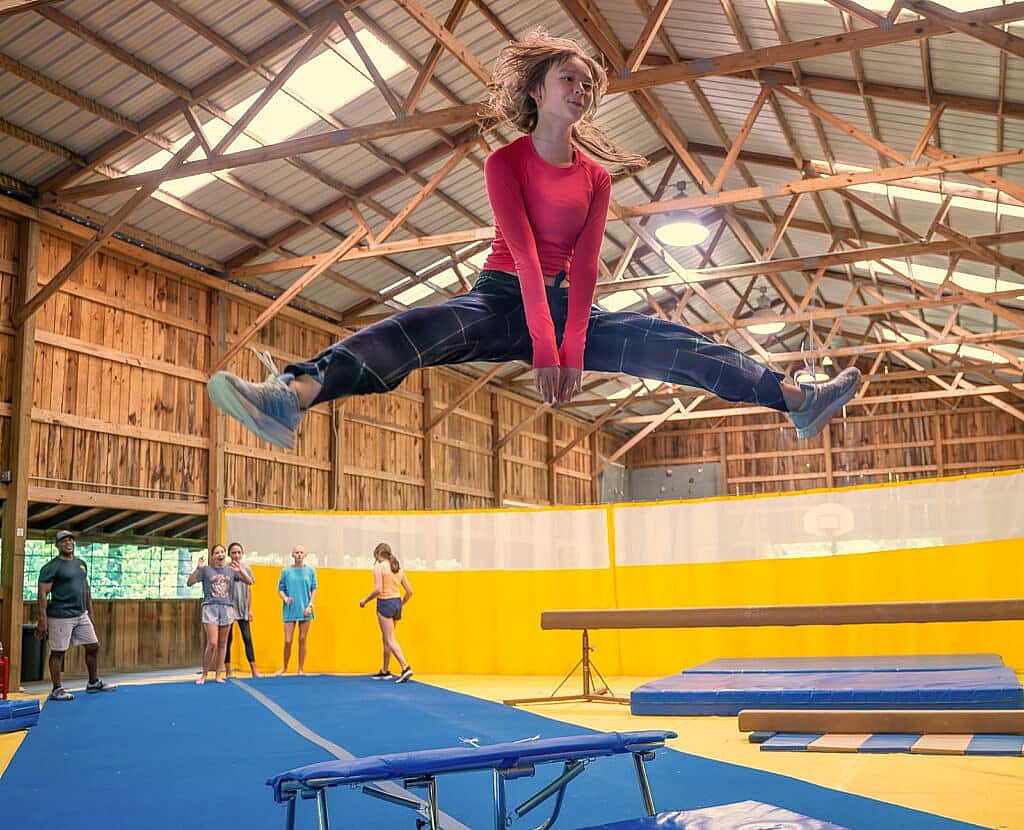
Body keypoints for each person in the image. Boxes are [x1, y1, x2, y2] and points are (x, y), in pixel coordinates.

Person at [207, 29, 860, 452]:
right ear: (538, 90)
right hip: (499, 299)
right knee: (413, 331)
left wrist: (570, 346)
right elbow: (520, 250)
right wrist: (546, 352)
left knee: (673, 344)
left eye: (586, 84)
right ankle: (291, 396)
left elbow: (584, 269)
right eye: (568, 80)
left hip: (570, 309)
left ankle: (795, 398)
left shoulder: (596, 178)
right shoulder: (507, 163)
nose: (580, 91)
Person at [35, 530, 117, 701]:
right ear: (57, 545)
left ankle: (93, 682)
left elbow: (86, 589)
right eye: (64, 541)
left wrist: (90, 613)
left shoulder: (81, 564)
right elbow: (43, 594)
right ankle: (57, 689)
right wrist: (42, 620)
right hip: (60, 615)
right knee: (58, 651)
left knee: (93, 646)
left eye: (70, 540)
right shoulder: (51, 567)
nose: (68, 543)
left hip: (81, 614)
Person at [186, 543, 253, 685]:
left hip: (227, 608)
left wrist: (240, 570)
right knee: (212, 643)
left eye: (222, 552)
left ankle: (218, 674)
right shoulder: (206, 570)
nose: (220, 555)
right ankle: (204, 674)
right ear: (212, 556)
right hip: (210, 607)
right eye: (217, 553)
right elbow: (189, 582)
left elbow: (249, 581)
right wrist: (197, 569)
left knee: (223, 643)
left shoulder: (231, 570)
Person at [359, 542, 414, 683]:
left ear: (377, 554)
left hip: (385, 602)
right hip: (396, 602)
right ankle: (385, 670)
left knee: (390, 639)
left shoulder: (379, 567)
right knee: (387, 638)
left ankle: (405, 667)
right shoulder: (397, 568)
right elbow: (410, 591)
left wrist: (365, 600)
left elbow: (378, 589)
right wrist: (401, 603)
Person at [275, 544, 317, 676]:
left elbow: (314, 588)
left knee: (303, 639)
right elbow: (280, 589)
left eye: (301, 552)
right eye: (296, 552)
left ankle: (300, 669)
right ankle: (285, 667)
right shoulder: (286, 572)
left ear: (305, 555)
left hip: (305, 608)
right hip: (290, 608)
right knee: (288, 640)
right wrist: (285, 598)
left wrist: (310, 605)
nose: (299, 554)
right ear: (292, 555)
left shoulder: (310, 571)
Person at [224, 541, 259, 678]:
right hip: (229, 610)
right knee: (227, 640)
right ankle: (227, 670)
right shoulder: (225, 569)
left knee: (247, 638)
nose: (236, 555)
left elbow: (249, 588)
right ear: (229, 555)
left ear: (242, 554)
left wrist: (250, 609)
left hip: (242, 609)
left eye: (239, 552)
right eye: (233, 552)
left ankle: (254, 670)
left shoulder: (247, 569)